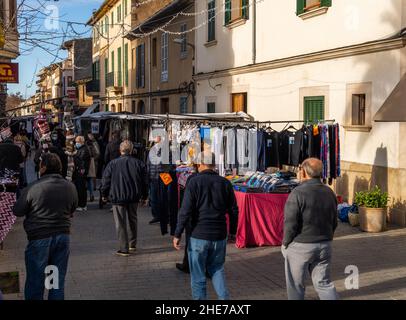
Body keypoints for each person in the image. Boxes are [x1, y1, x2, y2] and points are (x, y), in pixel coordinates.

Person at [173, 152, 239, 300]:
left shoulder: (194, 181)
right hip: (219, 234)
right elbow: (234, 210)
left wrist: (178, 233)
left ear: (200, 164)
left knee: (198, 277)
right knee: (217, 269)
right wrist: (233, 232)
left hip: (198, 235)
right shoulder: (225, 183)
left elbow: (185, 210)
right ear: (214, 165)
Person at [13, 153, 78, 300]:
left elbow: (17, 210)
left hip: (39, 239)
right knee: (55, 282)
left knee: (36, 282)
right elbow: (73, 208)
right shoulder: (70, 186)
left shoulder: (33, 187)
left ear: (43, 168)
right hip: (62, 238)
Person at [282, 158, 339, 300]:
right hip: (324, 244)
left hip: (301, 245)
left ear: (304, 172)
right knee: (324, 284)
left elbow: (290, 223)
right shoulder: (329, 192)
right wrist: (328, 237)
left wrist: (285, 243)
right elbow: (334, 221)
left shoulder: (297, 193)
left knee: (296, 286)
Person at [101, 140, 148, 257]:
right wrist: (145, 196)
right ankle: (132, 244)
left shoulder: (112, 164)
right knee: (133, 220)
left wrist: (104, 195)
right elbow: (145, 182)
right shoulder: (139, 163)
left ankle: (124, 248)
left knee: (120, 223)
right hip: (133, 197)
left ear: (120, 150)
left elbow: (105, 180)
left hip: (118, 197)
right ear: (131, 150)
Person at [147, 136, 178, 233]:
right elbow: (148, 164)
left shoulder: (166, 150)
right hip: (155, 176)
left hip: (164, 176)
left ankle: (166, 218)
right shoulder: (152, 150)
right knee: (155, 198)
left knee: (166, 198)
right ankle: (158, 216)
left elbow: (171, 165)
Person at [73, 136, 90, 212]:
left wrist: (74, 156)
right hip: (80, 171)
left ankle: (82, 205)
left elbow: (81, 161)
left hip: (81, 172)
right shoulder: (81, 149)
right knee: (80, 188)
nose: (76, 143)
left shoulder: (83, 150)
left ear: (80, 142)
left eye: (77, 142)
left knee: (81, 189)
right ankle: (81, 204)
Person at [86, 133, 100, 202]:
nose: (90, 137)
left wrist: (93, 159)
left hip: (92, 162)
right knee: (90, 179)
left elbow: (97, 153)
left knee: (90, 178)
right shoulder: (92, 144)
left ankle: (91, 192)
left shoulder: (94, 144)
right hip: (92, 162)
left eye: (90, 136)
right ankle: (91, 194)